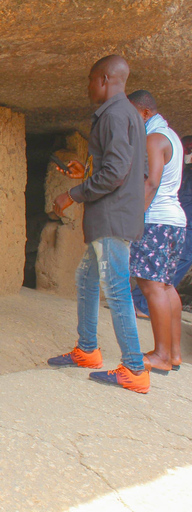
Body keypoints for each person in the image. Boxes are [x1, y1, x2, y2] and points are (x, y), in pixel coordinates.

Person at [47, 55, 150, 393]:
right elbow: (125, 169)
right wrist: (86, 173)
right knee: (87, 278)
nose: (89, 86)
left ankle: (134, 368)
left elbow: (117, 173)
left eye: (91, 79)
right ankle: (87, 350)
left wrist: (73, 194)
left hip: (111, 218)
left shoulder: (115, 115)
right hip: (113, 215)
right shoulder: (129, 116)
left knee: (116, 289)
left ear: (105, 79)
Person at [125, 90, 186, 373]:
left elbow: (151, 182)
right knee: (166, 285)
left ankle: (161, 355)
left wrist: (134, 219)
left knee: (150, 286)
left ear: (145, 113)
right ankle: (173, 354)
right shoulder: (170, 135)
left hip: (156, 220)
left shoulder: (153, 138)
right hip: (174, 221)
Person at [132, 134, 192, 320]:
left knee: (167, 273)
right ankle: (140, 303)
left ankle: (142, 304)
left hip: (179, 223)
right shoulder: (185, 171)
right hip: (179, 222)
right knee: (162, 273)